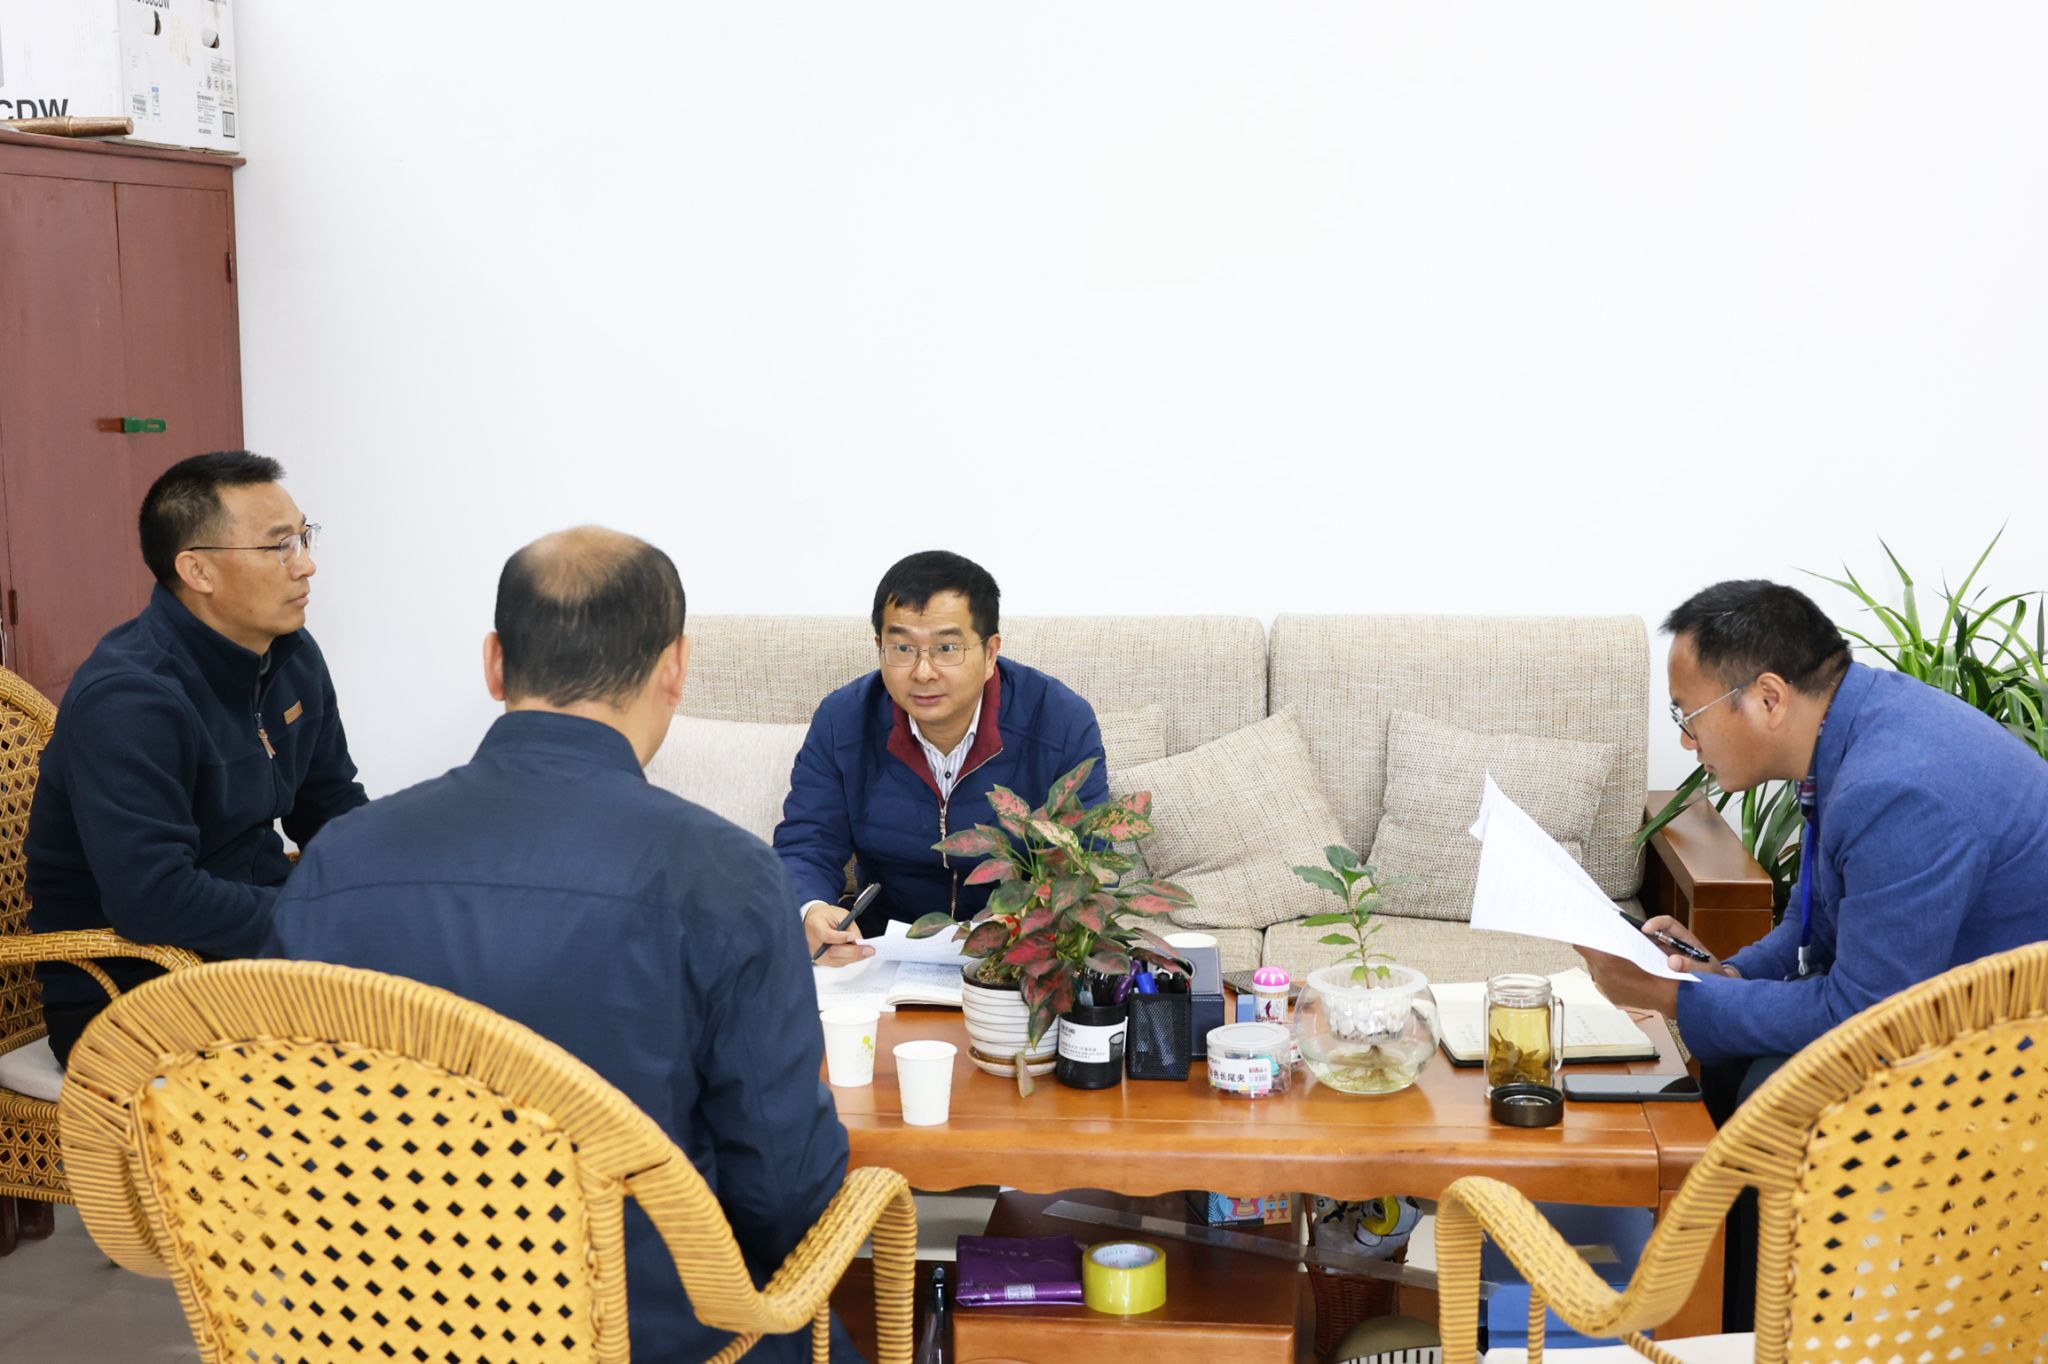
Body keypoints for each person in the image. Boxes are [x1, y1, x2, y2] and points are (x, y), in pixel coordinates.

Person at [266, 527, 854, 1363]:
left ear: (495, 663)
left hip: (377, 1325)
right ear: (676, 667)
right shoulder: (726, 874)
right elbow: (787, 1192)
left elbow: (289, 1128)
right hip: (649, 1332)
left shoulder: (337, 860)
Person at [1583, 579, 2048, 1328]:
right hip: (1939, 1010)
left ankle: (1762, 1330)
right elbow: (1815, 922)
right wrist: (1725, 974)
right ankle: (1728, 1319)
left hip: (2008, 1071)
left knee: (1776, 1091)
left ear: (1768, 698)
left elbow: (1864, 1016)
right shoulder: (1857, 729)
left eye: (1687, 715)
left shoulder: (1896, 785)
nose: (1686, 741)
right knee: (1738, 1065)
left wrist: (1672, 996)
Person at [27, 451, 364, 1064]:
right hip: (133, 994)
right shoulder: (131, 698)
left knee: (465, 980)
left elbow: (330, 804)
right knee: (405, 1060)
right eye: (279, 546)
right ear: (198, 570)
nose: (306, 565)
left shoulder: (290, 653)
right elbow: (154, 899)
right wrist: (319, 918)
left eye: (304, 538)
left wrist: (396, 883)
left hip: (247, 954)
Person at [778, 550, 1108, 965]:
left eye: (947, 648)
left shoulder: (1060, 719)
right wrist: (809, 910)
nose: (923, 672)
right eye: (902, 648)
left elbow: (1088, 857)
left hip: (1020, 951)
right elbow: (807, 841)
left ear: (990, 653)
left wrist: (1030, 925)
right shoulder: (842, 720)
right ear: (879, 647)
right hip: (881, 947)